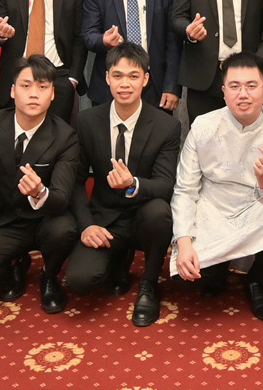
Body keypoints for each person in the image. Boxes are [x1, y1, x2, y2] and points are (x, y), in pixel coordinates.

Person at [171, 53, 263, 321]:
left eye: (251, 86)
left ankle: (256, 281)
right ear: (224, 91)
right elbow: (185, 189)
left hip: (255, 208)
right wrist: (183, 242)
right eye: (235, 86)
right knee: (189, 281)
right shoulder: (203, 126)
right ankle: (216, 269)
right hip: (212, 207)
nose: (243, 94)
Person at [63, 43, 182, 326]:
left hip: (144, 217)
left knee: (159, 213)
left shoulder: (166, 126)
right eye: (117, 76)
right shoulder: (88, 121)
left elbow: (166, 185)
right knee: (80, 281)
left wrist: (133, 183)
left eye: (133, 76)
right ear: (107, 78)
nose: (125, 84)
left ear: (146, 79)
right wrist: (86, 225)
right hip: (104, 218)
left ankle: (149, 283)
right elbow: (75, 181)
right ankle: (119, 258)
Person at [0, 54, 84, 316]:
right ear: (13, 91)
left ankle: (49, 276)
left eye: (42, 87)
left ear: (52, 94)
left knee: (64, 229)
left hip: (44, 220)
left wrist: (40, 192)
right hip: (3, 220)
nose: (34, 94)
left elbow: (61, 198)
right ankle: (12, 265)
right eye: (26, 86)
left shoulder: (65, 136)